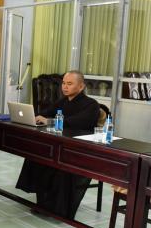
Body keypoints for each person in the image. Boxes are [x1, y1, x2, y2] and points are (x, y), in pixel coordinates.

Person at [15, 70, 100, 219]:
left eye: (69, 84)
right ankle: (43, 202)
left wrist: (50, 121)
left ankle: (55, 208)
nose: (65, 87)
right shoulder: (63, 101)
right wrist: (38, 116)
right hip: (61, 144)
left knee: (58, 165)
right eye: (64, 83)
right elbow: (48, 111)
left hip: (78, 148)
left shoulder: (91, 104)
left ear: (81, 86)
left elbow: (78, 122)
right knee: (37, 156)